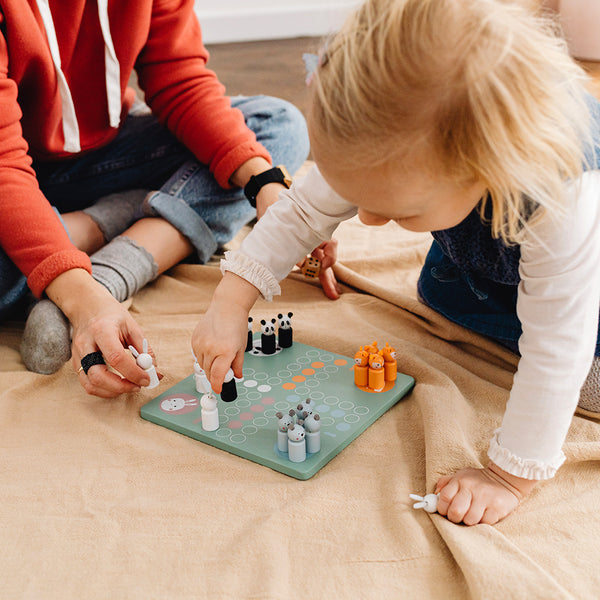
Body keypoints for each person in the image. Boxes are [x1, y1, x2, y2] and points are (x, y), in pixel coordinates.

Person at [191, 0, 600, 525]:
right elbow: (301, 212)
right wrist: (230, 302)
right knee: (444, 292)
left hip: (587, 286)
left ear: (484, 164)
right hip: (490, 273)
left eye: (400, 212)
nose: (366, 219)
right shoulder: (387, 127)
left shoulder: (560, 192)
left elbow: (559, 340)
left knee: (564, 361)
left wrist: (507, 476)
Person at [0, 0, 312, 397]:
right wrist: (83, 305)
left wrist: (265, 182)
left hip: (107, 156)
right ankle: (112, 220)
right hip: (10, 171)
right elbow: (4, 166)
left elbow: (181, 80)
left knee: (278, 128)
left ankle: (108, 267)